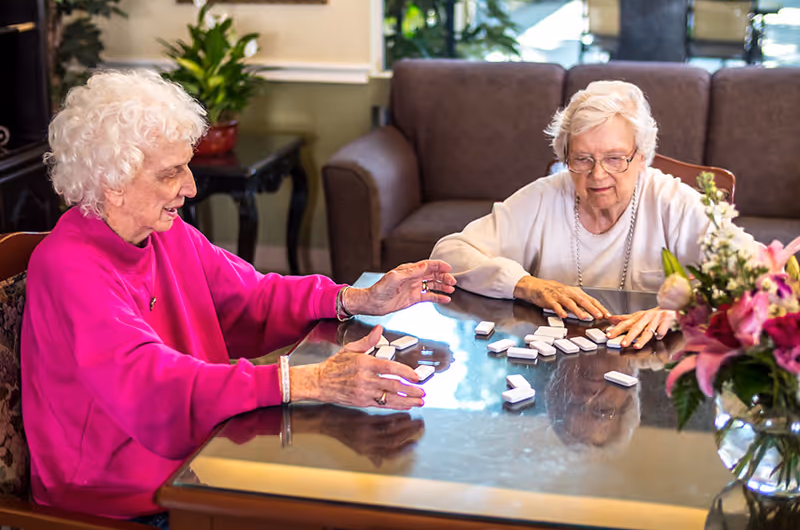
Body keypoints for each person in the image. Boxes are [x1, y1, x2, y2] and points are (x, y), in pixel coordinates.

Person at [21, 69, 456, 522]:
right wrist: (308, 381)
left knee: (353, 491)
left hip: (198, 452)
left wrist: (356, 298)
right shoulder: (69, 266)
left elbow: (252, 297)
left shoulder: (165, 234)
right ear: (113, 183)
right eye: (171, 173)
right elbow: (153, 388)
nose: (189, 188)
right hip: (120, 494)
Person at [431, 80, 753, 349]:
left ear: (641, 158)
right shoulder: (545, 196)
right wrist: (526, 285)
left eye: (615, 158)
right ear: (565, 157)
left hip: (652, 361)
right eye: (583, 159)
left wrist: (682, 307)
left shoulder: (674, 202)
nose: (598, 175)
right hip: (559, 353)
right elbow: (448, 255)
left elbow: (757, 272)